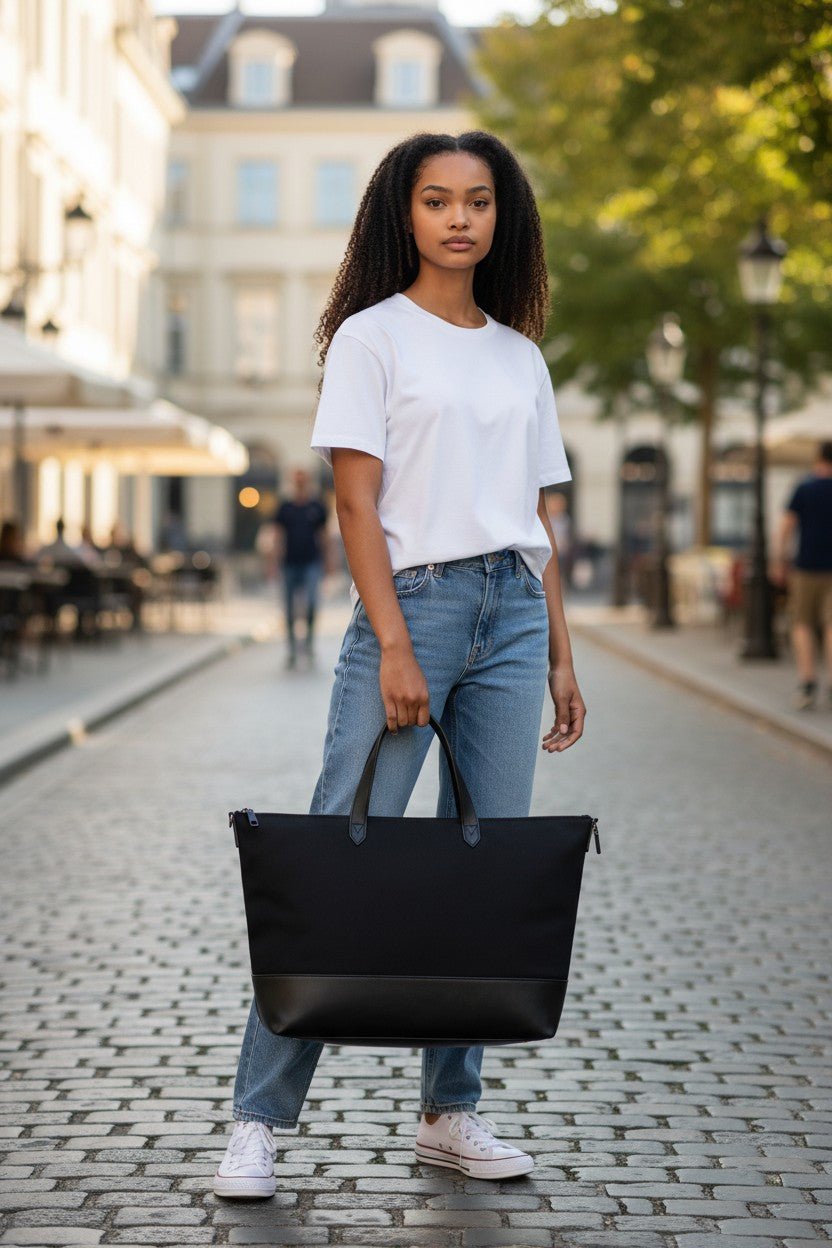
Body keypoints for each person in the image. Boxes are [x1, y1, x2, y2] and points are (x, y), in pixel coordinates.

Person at [214, 130, 586, 1199]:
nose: (459, 218)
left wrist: (561, 656)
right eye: (436, 199)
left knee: (483, 866)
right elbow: (355, 502)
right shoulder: (371, 338)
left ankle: (448, 1112)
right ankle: (256, 1121)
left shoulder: (520, 356)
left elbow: (538, 520)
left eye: (478, 200)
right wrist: (391, 643)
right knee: (342, 855)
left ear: (502, 218)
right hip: (413, 604)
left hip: (513, 616)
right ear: (404, 213)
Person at [773, 440, 832, 709]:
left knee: (802, 624)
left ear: (818, 459)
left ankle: (808, 683)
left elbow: (786, 525)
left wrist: (779, 559)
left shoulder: (804, 488)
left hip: (806, 566)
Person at [274, 467, 328, 665]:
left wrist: (329, 561)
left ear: (308, 482)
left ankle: (309, 645)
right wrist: (273, 563)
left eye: (303, 480)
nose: (300, 483)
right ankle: (291, 650)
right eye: (297, 480)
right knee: (289, 608)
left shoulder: (317, 507)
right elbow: (277, 536)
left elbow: (324, 536)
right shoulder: (285, 507)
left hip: (311, 563)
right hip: (289, 563)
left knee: (312, 604)